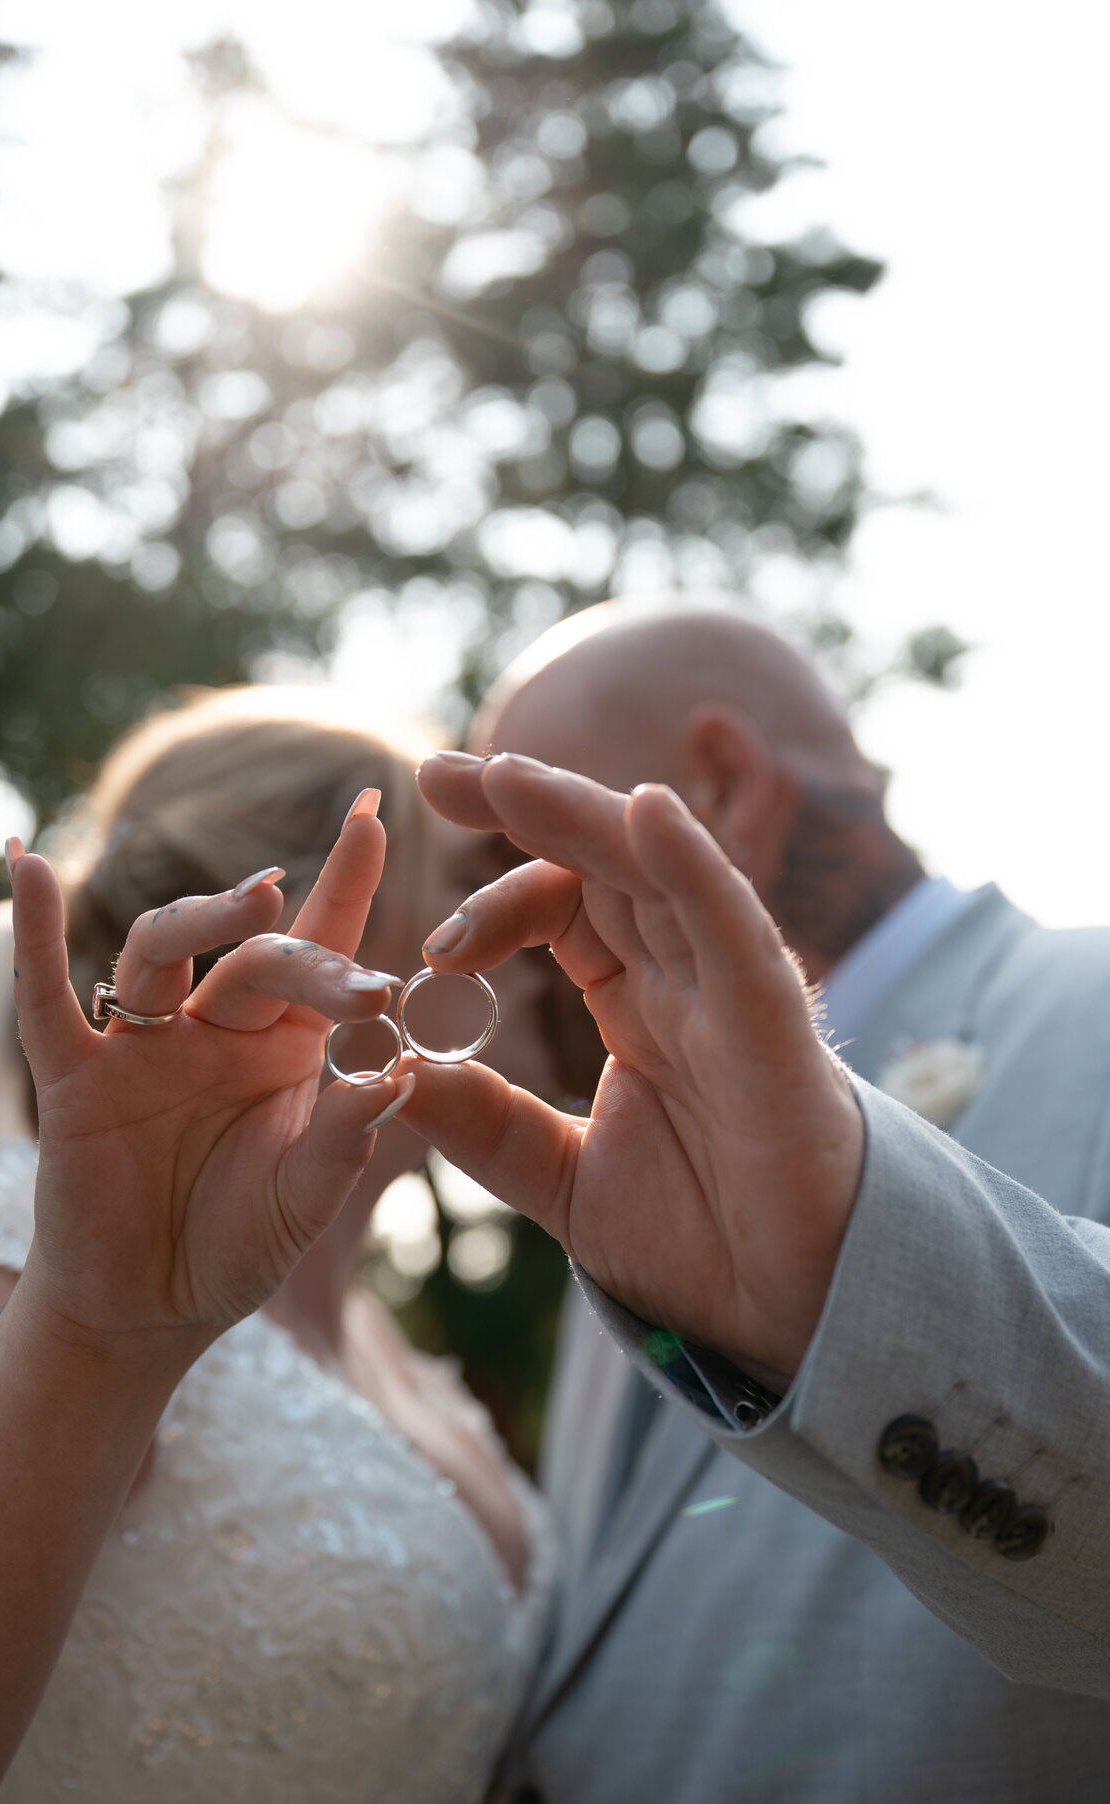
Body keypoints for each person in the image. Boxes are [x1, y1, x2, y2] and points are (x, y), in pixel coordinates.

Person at [404, 600, 1110, 1801]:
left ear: (724, 786)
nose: (473, 942)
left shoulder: (1089, 1014)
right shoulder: (627, 1164)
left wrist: (856, 1264)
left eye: (508, 860)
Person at [0, 687, 557, 1804]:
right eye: (465, 886)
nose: (535, 941)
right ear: (310, 934)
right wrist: (100, 1331)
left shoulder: (381, 1344)